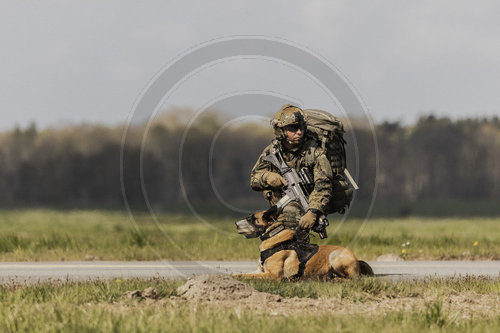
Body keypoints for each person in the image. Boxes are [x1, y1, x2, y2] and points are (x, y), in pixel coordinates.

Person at [250, 104, 334, 243]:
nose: (299, 132)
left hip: (306, 204)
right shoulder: (272, 151)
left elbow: (324, 185)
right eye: (293, 128)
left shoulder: (315, 152)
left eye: (301, 127)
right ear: (281, 130)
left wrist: (313, 211)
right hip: (279, 205)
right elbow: (254, 178)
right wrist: (267, 177)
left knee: (292, 216)